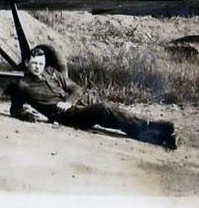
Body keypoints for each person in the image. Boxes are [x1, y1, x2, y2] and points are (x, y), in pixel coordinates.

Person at [9, 46, 177, 149]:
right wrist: (31, 115)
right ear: (26, 63)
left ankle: (157, 137)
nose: (38, 67)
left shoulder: (51, 73)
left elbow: (76, 88)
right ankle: (153, 125)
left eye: (40, 63)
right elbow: (14, 110)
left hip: (76, 104)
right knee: (104, 109)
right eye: (34, 63)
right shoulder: (22, 85)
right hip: (68, 116)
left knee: (113, 116)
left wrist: (68, 101)